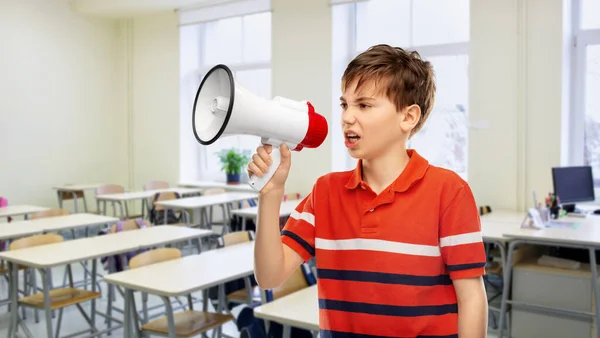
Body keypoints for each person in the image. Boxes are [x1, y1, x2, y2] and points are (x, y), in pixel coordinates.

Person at [248, 44, 488, 338]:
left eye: (363, 105)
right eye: (344, 104)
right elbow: (270, 276)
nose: (347, 117)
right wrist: (270, 194)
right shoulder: (326, 191)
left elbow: (472, 297)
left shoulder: (449, 191)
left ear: (408, 117)